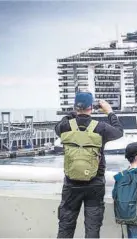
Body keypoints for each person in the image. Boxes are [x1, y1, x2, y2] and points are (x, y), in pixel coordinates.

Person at [55, 91, 123, 238]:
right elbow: (119, 131)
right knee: (92, 229)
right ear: (91, 107)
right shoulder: (100, 127)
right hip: (95, 184)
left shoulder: (65, 126)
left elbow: (58, 125)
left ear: (75, 107)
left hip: (71, 184)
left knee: (65, 227)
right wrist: (109, 112)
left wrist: (76, 113)